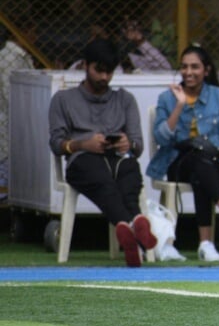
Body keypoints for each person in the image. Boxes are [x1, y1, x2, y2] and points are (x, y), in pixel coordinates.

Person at [48, 39, 156, 267]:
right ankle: (134, 223)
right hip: (83, 162)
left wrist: (127, 143)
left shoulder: (125, 99)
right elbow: (56, 143)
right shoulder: (63, 100)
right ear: (85, 66)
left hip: (117, 159)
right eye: (99, 71)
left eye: (109, 72)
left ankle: (130, 225)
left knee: (129, 169)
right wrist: (83, 145)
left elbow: (138, 147)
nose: (104, 78)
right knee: (103, 180)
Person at [146, 44, 219, 262]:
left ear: (206, 70)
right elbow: (162, 139)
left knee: (202, 169)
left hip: (214, 162)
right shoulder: (167, 98)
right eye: (184, 67)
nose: (188, 72)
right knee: (198, 163)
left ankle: (206, 244)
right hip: (178, 163)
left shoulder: (218, 96)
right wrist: (179, 105)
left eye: (195, 67)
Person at [0, 26, 35, 199]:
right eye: (33, 32)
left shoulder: (19, 54)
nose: (35, 38)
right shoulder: (11, 57)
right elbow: (9, 94)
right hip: (10, 120)